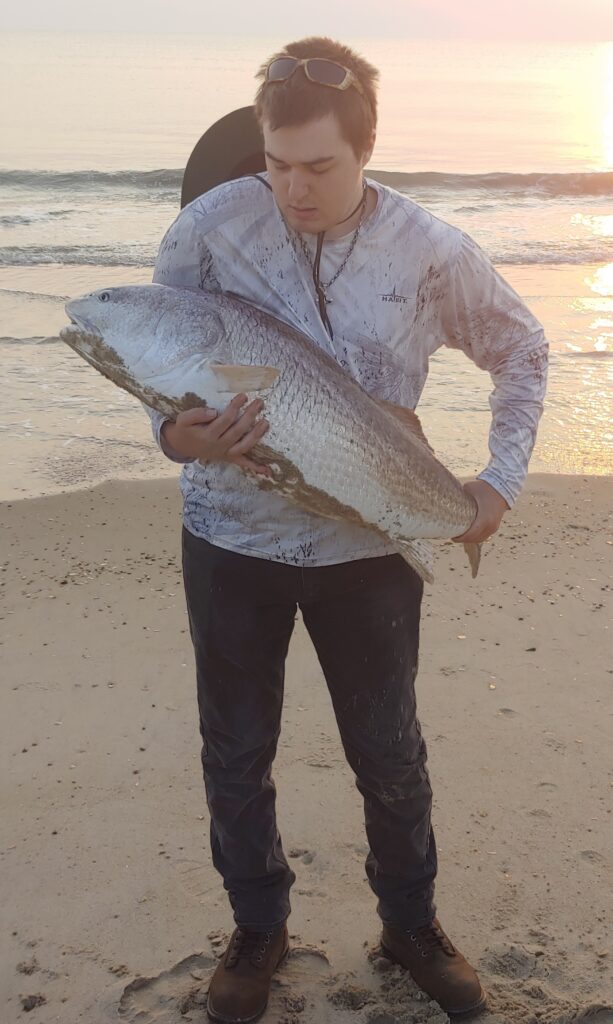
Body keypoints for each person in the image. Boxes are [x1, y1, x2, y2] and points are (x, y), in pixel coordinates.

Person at [148, 36, 548, 1022]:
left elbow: (522, 348)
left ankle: (409, 928)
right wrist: (173, 433)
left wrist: (496, 481)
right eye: (277, 165)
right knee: (234, 756)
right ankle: (259, 930)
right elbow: (154, 357)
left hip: (367, 551)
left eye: (319, 167)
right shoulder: (206, 230)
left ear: (367, 149)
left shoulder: (430, 250)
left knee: (390, 755)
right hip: (228, 541)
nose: (293, 190)